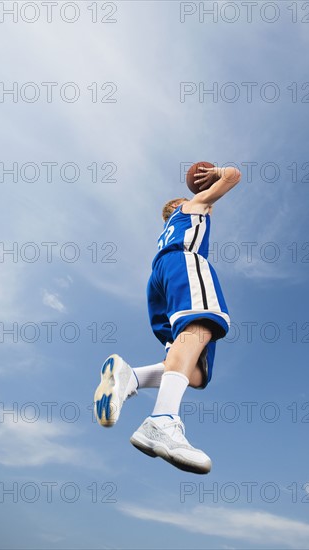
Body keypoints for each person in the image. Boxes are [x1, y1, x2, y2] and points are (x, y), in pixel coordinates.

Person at [94, 164, 242, 474]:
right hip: (184, 262)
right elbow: (234, 176)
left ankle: (130, 377)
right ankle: (162, 420)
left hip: (159, 279)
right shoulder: (191, 209)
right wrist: (215, 172)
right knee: (202, 324)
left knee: (195, 372)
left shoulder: (169, 227)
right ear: (179, 206)